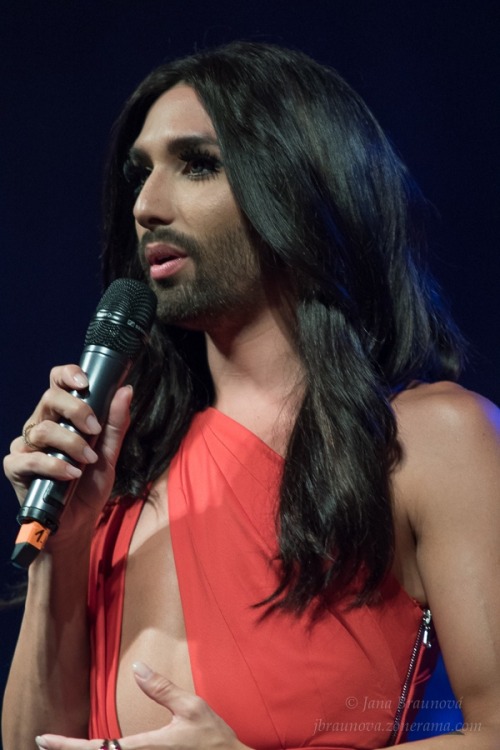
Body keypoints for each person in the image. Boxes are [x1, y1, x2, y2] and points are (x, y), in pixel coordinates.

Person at [2, 41, 500, 750]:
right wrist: (65, 545)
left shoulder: (430, 440)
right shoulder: (120, 475)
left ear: (299, 186)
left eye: (198, 164)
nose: (146, 205)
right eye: (138, 173)